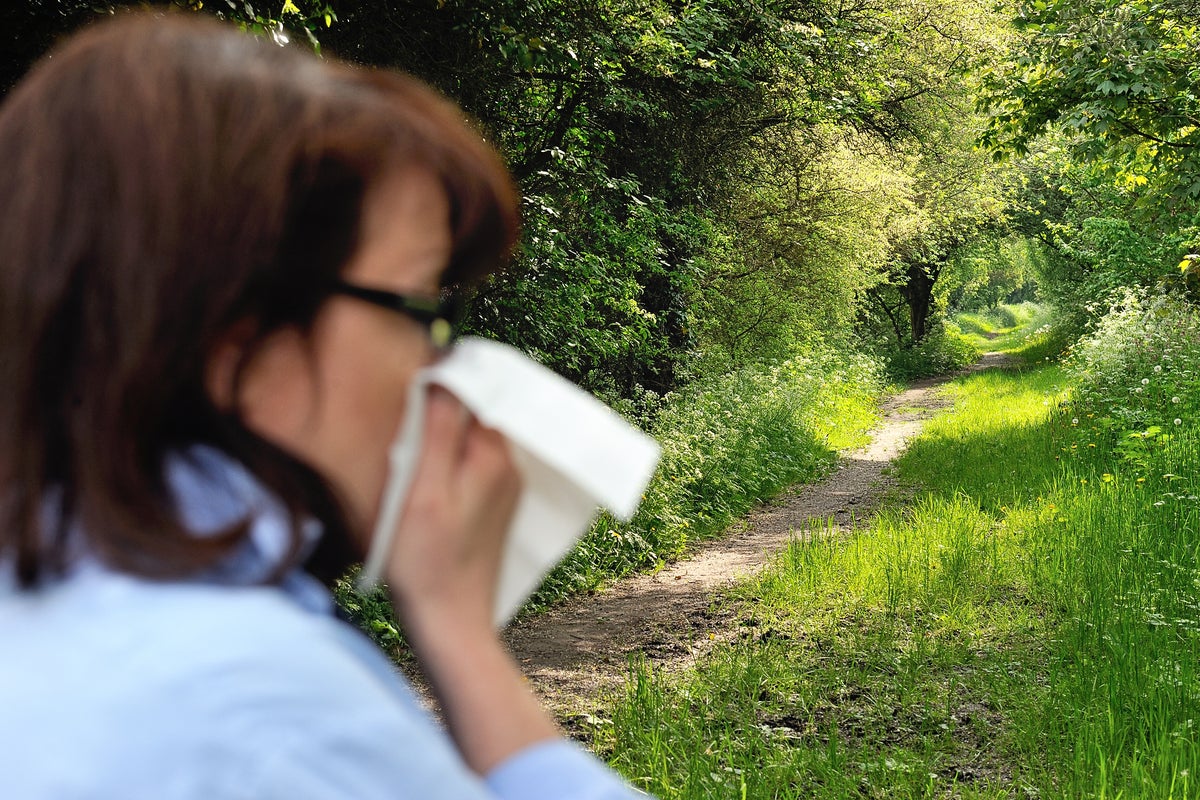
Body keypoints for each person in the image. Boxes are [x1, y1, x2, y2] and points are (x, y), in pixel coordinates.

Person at [0, 11, 649, 799]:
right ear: (239, 348)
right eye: (416, 308)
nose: (440, 367)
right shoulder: (265, 710)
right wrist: (461, 635)